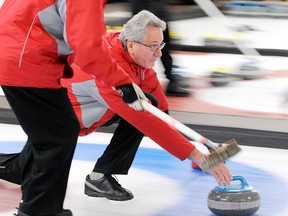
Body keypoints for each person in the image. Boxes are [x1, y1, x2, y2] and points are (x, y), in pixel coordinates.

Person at [0, 10, 232, 206]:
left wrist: (197, 149)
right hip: (60, 124)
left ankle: (101, 176)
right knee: (22, 173)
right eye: (153, 46)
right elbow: (145, 119)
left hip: (92, 115)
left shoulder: (137, 59)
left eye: (160, 44)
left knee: (148, 104)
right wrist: (197, 156)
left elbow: (161, 111)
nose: (159, 53)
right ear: (131, 44)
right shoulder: (107, 69)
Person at [0, 0, 148, 215]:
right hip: (28, 62)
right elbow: (87, 45)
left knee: (52, 134)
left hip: (17, 57)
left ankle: (37, 207)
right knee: (56, 137)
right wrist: (122, 82)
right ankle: (38, 210)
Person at [130, 0, 191, 97]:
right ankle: (136, 83)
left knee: (164, 44)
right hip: (145, 9)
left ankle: (171, 81)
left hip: (157, 8)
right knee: (144, 45)